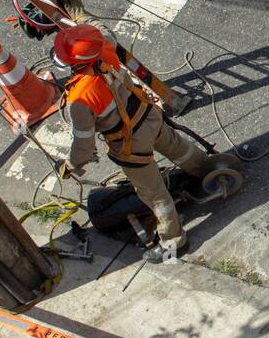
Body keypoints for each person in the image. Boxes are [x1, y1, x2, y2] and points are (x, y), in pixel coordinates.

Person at [52, 22, 208, 262]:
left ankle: (174, 242)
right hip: (149, 116)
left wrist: (70, 167)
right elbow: (105, 31)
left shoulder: (80, 100)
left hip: (130, 143)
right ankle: (207, 171)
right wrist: (80, 18)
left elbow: (83, 146)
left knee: (154, 194)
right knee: (178, 147)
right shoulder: (104, 48)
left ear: (76, 63)